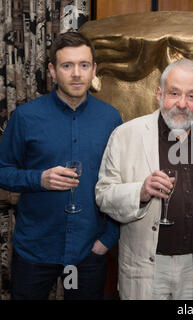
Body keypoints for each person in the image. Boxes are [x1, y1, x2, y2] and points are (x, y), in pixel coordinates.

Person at [0, 31, 122, 299]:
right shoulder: (25, 117)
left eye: (84, 65)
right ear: (52, 71)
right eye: (67, 66)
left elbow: (121, 182)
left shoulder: (111, 119)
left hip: (87, 251)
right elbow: (3, 171)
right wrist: (38, 179)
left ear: (94, 70)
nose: (76, 74)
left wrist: (107, 240)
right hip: (35, 249)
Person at [95, 58, 193, 300]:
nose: (182, 104)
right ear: (159, 94)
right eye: (174, 93)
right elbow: (103, 195)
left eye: (191, 96)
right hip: (146, 266)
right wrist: (141, 192)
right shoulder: (126, 135)